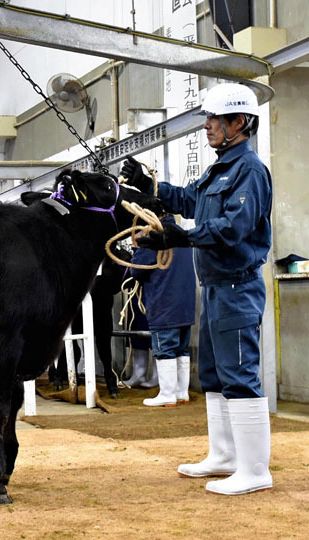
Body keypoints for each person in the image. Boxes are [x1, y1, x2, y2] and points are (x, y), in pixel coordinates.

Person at [121, 82, 273, 495]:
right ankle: (225, 457)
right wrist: (150, 189)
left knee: (239, 376)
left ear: (238, 122)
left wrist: (176, 238)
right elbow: (190, 200)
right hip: (217, 288)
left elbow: (233, 229)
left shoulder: (251, 171)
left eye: (213, 119)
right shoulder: (221, 168)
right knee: (214, 375)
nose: (206, 126)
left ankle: (256, 470)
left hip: (237, 287)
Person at [129, 214, 197, 407]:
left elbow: (137, 270)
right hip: (185, 305)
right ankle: (181, 393)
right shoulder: (181, 235)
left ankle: (167, 394)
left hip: (164, 303)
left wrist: (139, 245)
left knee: (165, 348)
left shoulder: (154, 237)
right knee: (181, 349)